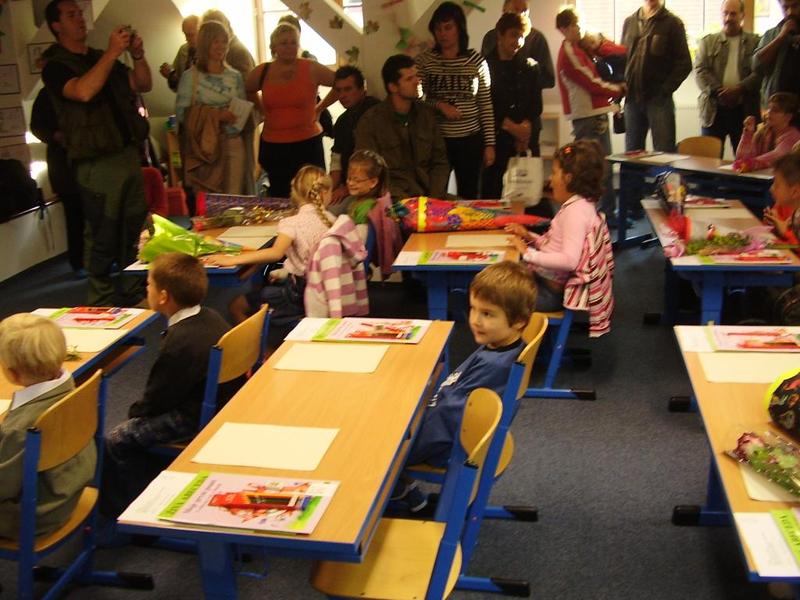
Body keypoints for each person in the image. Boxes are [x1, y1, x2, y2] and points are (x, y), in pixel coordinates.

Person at [101, 253, 232, 517]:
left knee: (116, 439)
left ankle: (125, 512)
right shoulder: (210, 316)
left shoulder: (179, 342)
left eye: (148, 284)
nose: (145, 289)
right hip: (220, 404)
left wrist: (135, 413)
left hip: (192, 417)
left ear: (163, 297)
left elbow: (157, 400)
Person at [42, 0, 151, 307]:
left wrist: (138, 55)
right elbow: (83, 91)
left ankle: (133, 291)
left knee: (135, 228)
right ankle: (101, 299)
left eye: (80, 13)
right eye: (71, 15)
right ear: (56, 26)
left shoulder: (99, 57)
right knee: (103, 233)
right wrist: (112, 52)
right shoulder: (56, 66)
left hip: (126, 153)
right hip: (95, 163)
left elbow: (142, 83)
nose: (80, 19)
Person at [403, 261, 537, 472]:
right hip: (445, 427)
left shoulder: (494, 365)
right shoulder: (500, 346)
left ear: (519, 321)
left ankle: (398, 485)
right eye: (473, 309)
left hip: (449, 449)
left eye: (487, 314)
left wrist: (404, 451)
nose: (475, 320)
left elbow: (447, 419)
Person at [0, 313, 96, 539]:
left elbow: (3, 487)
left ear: (12, 373)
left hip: (33, 516)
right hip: (68, 490)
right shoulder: (71, 388)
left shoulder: (22, 428)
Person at [203, 165, 335, 327]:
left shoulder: (291, 223)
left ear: (294, 192)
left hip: (297, 294)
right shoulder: (332, 220)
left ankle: (260, 342)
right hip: (324, 290)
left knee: (236, 306)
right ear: (324, 193)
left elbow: (275, 253)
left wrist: (232, 260)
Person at [506, 140, 611, 312]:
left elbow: (569, 260)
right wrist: (530, 237)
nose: (550, 179)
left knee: (493, 291)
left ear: (568, 179)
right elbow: (555, 244)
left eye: (554, 173)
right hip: (544, 283)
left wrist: (528, 253)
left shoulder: (575, 213)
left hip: (548, 293)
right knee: (499, 275)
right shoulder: (578, 206)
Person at [247, 22, 336, 199]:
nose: (289, 47)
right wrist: (262, 109)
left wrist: (319, 107)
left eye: (293, 42)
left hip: (308, 144)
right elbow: (248, 88)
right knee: (280, 195)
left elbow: (340, 83)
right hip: (275, 146)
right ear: (274, 47)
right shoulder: (263, 71)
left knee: (313, 194)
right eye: (284, 43)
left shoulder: (311, 68)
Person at [415, 2, 495, 199]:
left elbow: (485, 105)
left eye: (448, 27)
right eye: (438, 29)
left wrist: (490, 144)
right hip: (437, 139)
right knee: (435, 192)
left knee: (469, 194)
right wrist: (439, 105)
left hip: (470, 139)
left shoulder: (476, 61)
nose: (443, 34)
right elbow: (417, 99)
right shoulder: (425, 61)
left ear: (459, 28)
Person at [555, 8, 624, 218]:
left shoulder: (580, 47)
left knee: (603, 166)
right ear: (563, 29)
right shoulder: (569, 52)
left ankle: (607, 213)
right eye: (573, 26)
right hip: (586, 115)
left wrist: (598, 43)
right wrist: (617, 90)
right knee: (590, 169)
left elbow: (617, 52)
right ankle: (595, 215)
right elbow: (590, 81)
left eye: (579, 25)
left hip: (595, 112)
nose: (578, 29)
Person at [355, 54, 450, 200]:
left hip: (429, 195)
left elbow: (440, 162)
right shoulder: (371, 122)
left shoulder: (426, 115)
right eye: (409, 79)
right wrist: (402, 202)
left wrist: (434, 198)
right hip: (392, 200)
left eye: (416, 76)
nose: (417, 81)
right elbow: (369, 172)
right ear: (393, 87)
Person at [175, 20, 250, 195]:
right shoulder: (190, 77)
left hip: (232, 143)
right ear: (205, 43)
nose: (221, 46)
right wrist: (217, 116)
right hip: (204, 149)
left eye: (224, 41)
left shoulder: (235, 76)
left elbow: (241, 109)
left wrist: (234, 117)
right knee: (207, 200)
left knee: (234, 198)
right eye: (216, 41)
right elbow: (182, 114)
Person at [482, 13, 543, 201]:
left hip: (526, 139)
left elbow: (536, 105)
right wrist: (510, 127)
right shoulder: (484, 66)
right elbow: (485, 105)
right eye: (513, 35)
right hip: (497, 141)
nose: (517, 41)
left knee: (525, 196)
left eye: (521, 36)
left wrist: (524, 130)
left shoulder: (531, 67)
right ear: (500, 35)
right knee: (494, 195)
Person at [481, 0, 555, 153]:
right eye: (516, 9)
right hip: (497, 133)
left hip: (528, 128)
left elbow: (543, 86)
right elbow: (486, 99)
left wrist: (524, 126)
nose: (520, 13)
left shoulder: (532, 57)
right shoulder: (488, 52)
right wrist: (511, 126)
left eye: (524, 10)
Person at [621, 0, 692, 152]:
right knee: (631, 154)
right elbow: (622, 59)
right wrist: (618, 93)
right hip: (632, 99)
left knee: (664, 153)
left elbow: (685, 63)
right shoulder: (629, 22)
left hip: (659, 101)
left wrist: (665, 90)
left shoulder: (673, 23)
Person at [30, 85, 84, 277]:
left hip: (90, 160)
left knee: (99, 216)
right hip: (64, 164)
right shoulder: (47, 94)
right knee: (75, 216)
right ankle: (79, 262)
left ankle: (103, 258)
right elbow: (37, 127)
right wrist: (57, 135)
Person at [694, 0, 761, 155]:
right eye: (725, 13)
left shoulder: (756, 42)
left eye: (733, 14)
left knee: (746, 159)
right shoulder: (707, 42)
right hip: (713, 110)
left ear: (742, 15)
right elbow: (700, 71)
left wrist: (739, 89)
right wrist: (719, 92)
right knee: (709, 161)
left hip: (744, 109)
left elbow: (759, 72)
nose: (728, 18)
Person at [329, 66, 379, 204]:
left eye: (348, 89)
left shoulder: (376, 113)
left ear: (362, 89)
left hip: (371, 186)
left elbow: (376, 161)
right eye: (339, 90)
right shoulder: (342, 121)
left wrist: (346, 189)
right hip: (349, 184)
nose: (342, 95)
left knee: (333, 209)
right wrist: (328, 188)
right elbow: (336, 159)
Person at [734, 92, 800, 171]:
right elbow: (740, 159)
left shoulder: (792, 136)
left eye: (775, 110)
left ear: (788, 117)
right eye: (768, 108)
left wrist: (749, 163)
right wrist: (748, 134)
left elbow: (776, 157)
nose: (768, 112)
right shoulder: (763, 132)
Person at [753, 0, 800, 108]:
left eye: (795, 6)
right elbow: (757, 66)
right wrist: (781, 37)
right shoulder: (771, 34)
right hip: (777, 109)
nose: (790, 12)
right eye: (785, 7)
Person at [764, 152, 800, 244]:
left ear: (794, 192)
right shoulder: (796, 213)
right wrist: (777, 225)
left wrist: (785, 232)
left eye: (777, 185)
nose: (771, 189)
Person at [159, 14, 199, 92]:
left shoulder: (211, 54)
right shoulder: (183, 49)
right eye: (185, 34)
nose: (187, 39)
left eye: (191, 35)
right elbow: (177, 86)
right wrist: (170, 75)